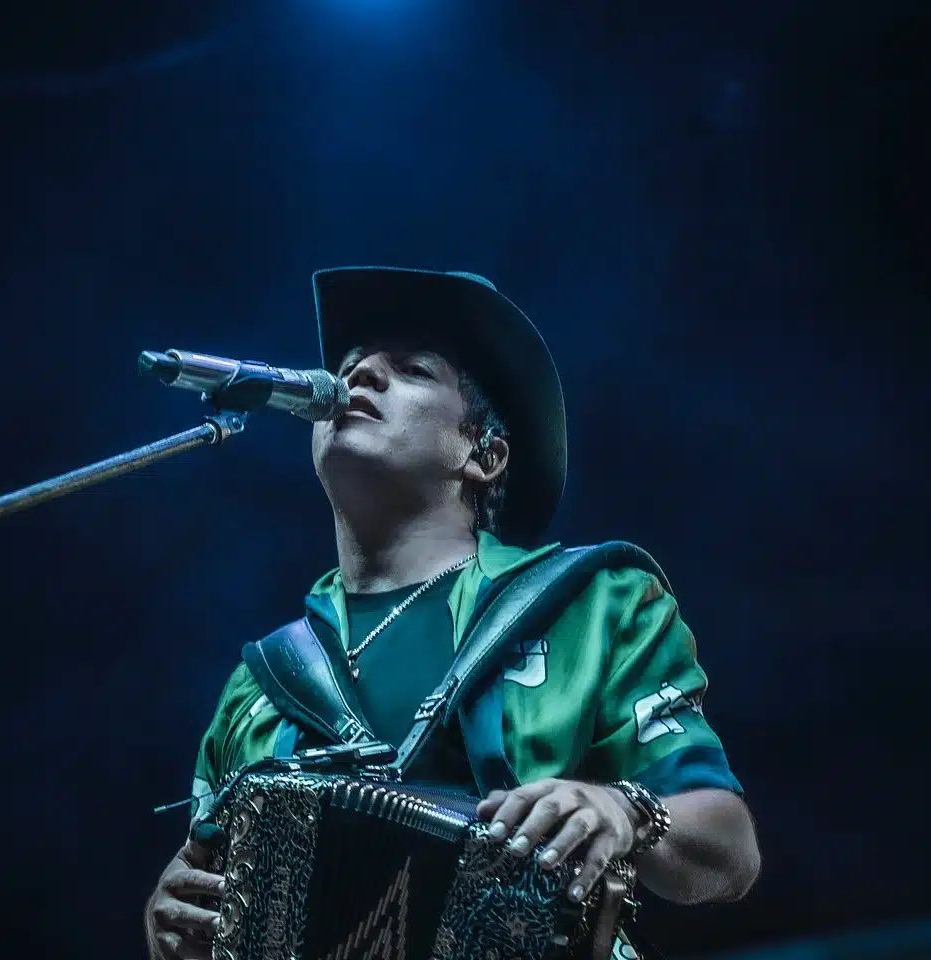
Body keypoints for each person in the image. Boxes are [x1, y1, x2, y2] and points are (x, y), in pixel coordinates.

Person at [143, 267, 761, 960]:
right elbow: (205, 898)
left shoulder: (595, 605)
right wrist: (172, 925)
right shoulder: (259, 686)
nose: (361, 376)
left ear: (484, 454)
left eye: (408, 370)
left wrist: (624, 808)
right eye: (349, 367)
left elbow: (729, 852)